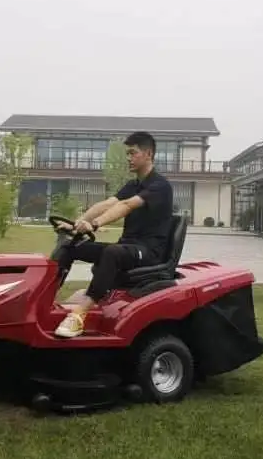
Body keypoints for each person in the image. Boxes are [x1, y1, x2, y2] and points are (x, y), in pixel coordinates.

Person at [53, 131, 174, 338]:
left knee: (112, 253)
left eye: (133, 153)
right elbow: (108, 203)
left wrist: (95, 224)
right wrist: (77, 224)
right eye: (127, 153)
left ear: (148, 154)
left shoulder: (160, 186)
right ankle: (46, 299)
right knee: (71, 247)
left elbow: (126, 205)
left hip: (148, 252)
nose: (128, 158)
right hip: (128, 248)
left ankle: (79, 315)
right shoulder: (133, 185)